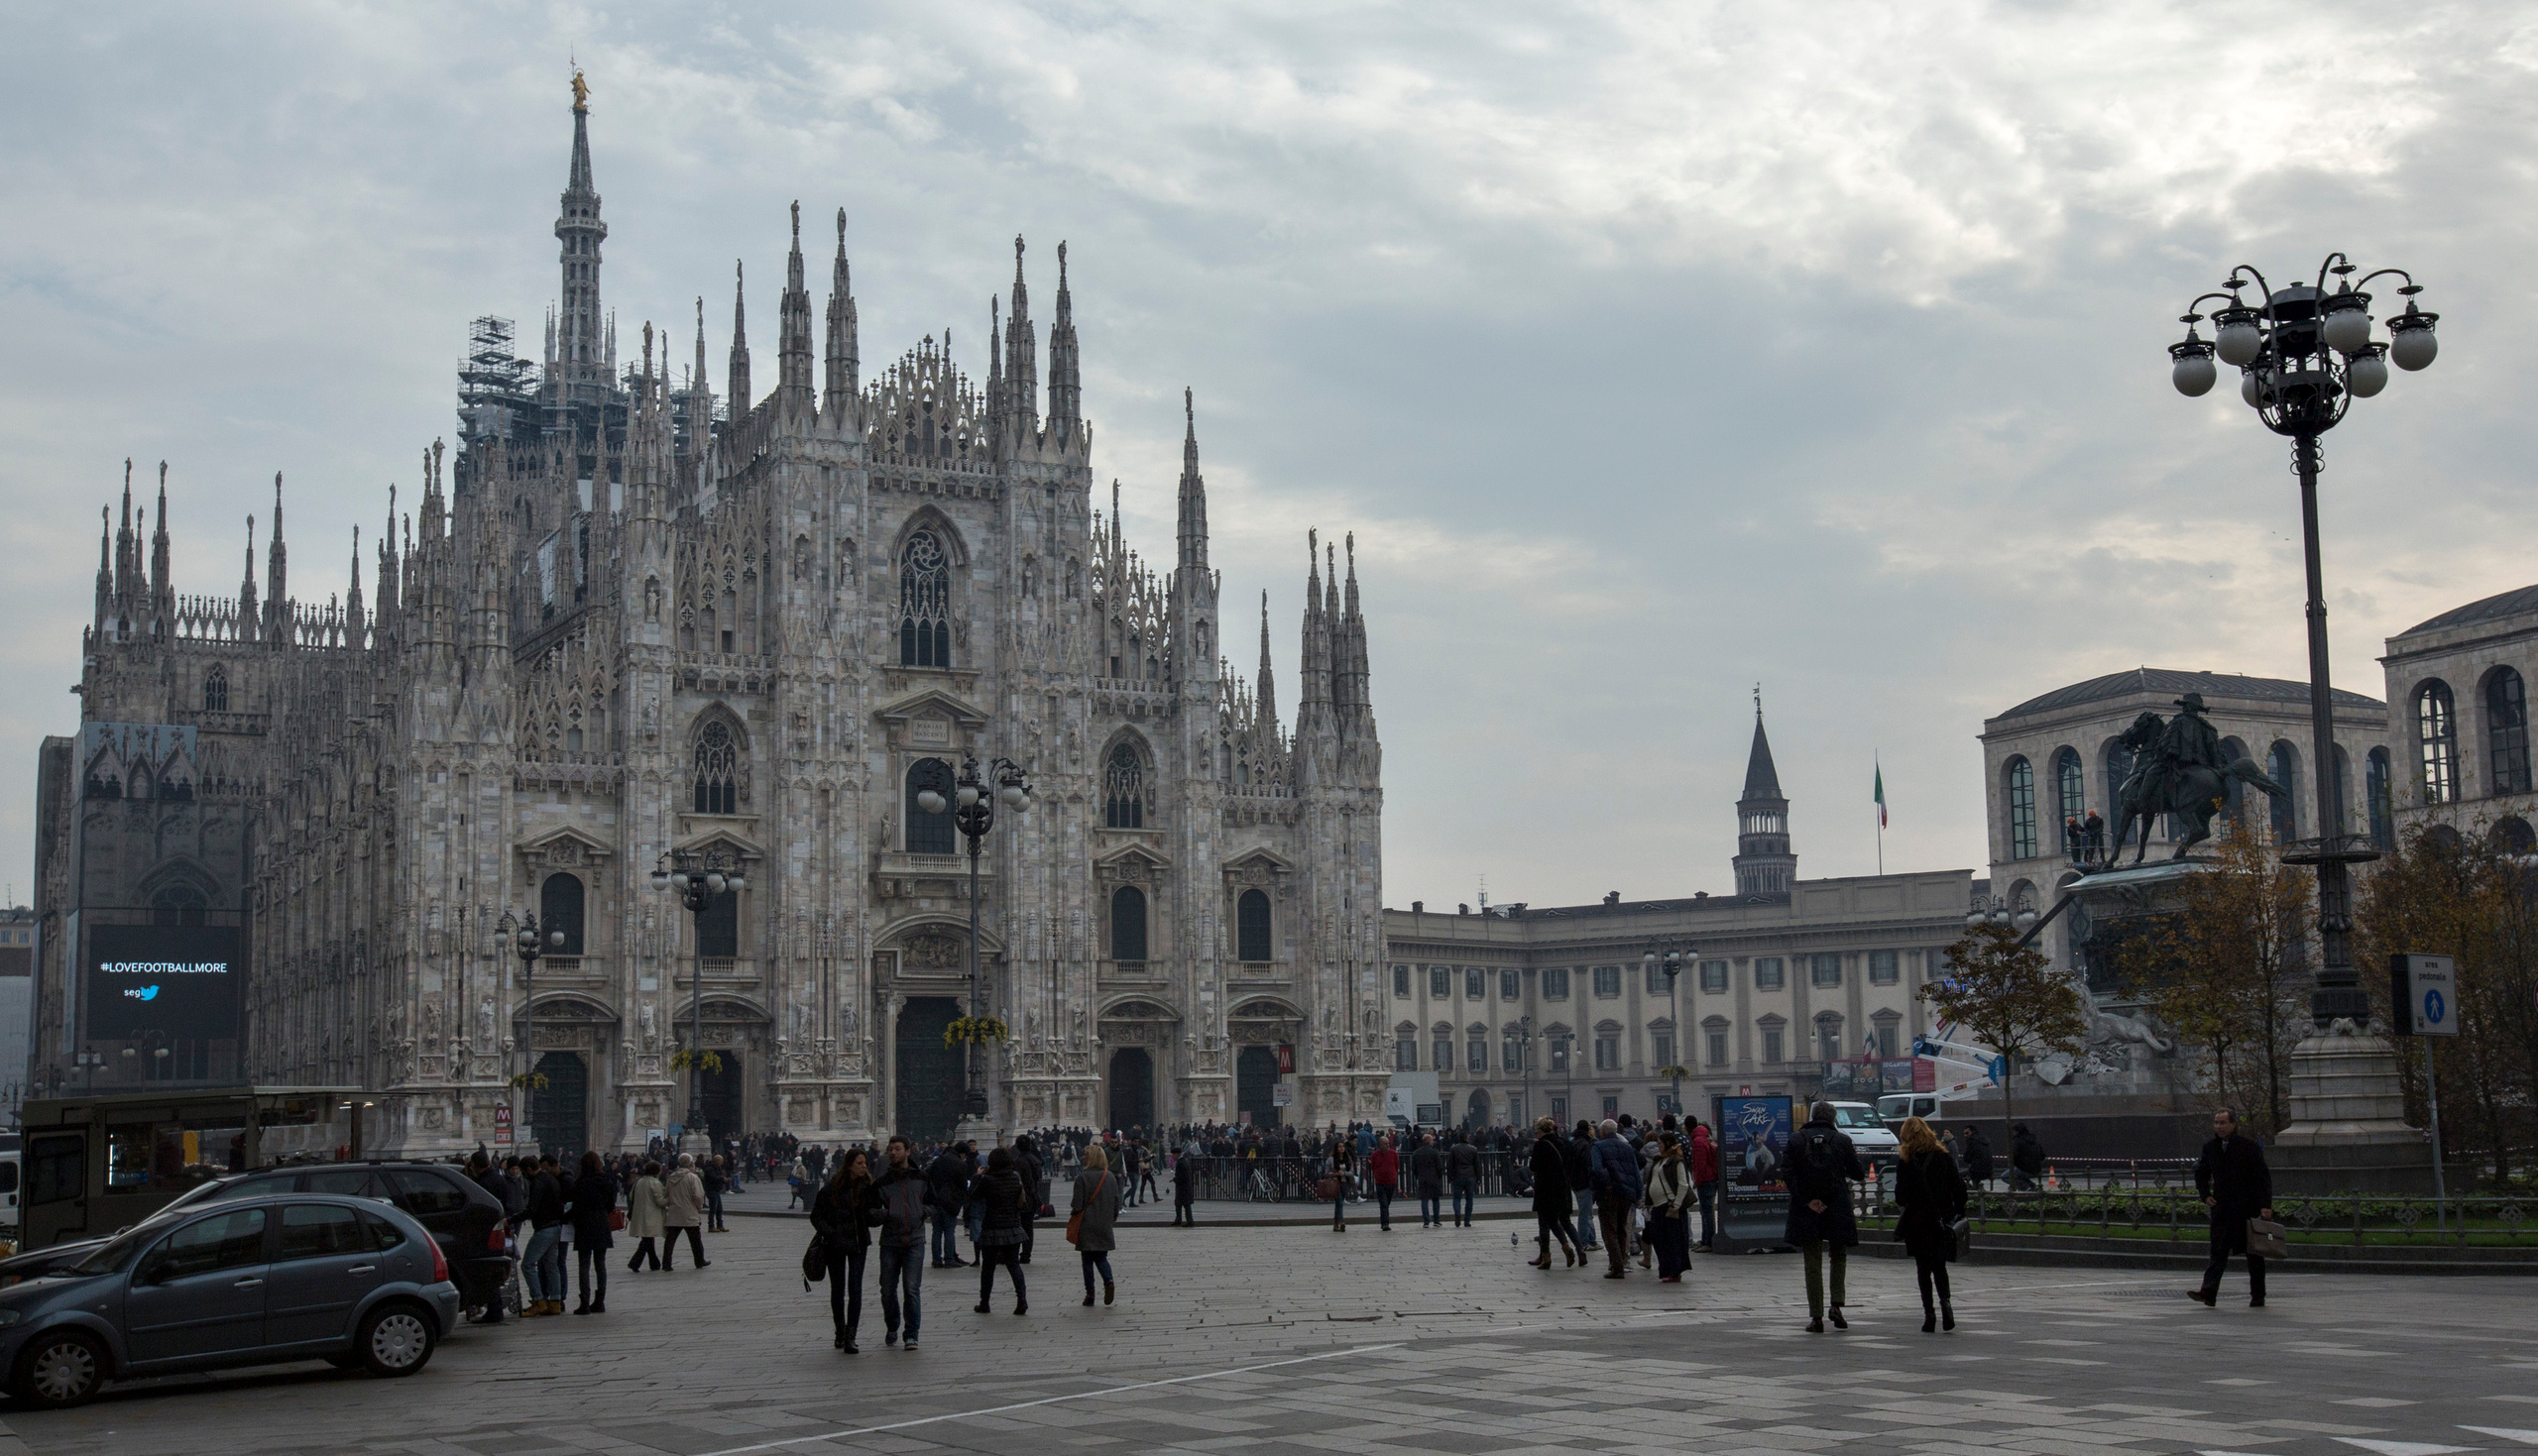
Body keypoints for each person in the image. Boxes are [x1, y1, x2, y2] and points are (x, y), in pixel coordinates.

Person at [1785, 1102, 1866, 1332]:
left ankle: (1816, 1316)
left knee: (1812, 1261)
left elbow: (1788, 1174)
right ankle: (1837, 1305)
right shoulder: (1842, 1140)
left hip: (1807, 1208)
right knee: (1838, 1255)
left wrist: (1808, 1200)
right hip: (1836, 1205)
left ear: (1812, 1116)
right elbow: (1858, 1174)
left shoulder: (1796, 1140)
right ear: (1833, 1119)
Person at [2191, 1108, 2275, 1309]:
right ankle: (2208, 1293)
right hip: (2222, 1209)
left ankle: (2257, 1295)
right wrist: (2205, 1195)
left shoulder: (2248, 1147)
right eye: (2216, 1123)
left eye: (2223, 1123)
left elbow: (2262, 1177)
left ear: (2233, 1125)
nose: (2219, 1127)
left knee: (2254, 1254)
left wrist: (2265, 1205)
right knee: (2217, 1252)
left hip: (2246, 1209)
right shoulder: (2210, 1147)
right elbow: (2201, 1172)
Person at [1892, 1115, 1966, 1331]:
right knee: (1939, 1266)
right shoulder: (1943, 1156)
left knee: (1922, 1268)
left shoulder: (1905, 1160)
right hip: (1940, 1219)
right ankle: (1946, 1305)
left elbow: (1900, 1196)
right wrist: (1956, 1212)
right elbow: (1959, 1188)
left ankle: (1929, 1315)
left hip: (1917, 1221)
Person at [812, 1147, 881, 1351]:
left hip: (858, 1243)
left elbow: (873, 1213)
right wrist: (831, 1233)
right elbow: (816, 1216)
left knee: (855, 1289)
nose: (864, 1167)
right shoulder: (832, 1187)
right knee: (838, 1289)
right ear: (849, 1165)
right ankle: (840, 1331)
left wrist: (882, 1215)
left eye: (865, 1163)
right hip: (835, 1245)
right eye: (860, 1163)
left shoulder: (868, 1186)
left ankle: (851, 1335)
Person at [873, 1135, 929, 1349]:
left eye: (897, 1149)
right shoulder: (882, 1181)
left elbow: (933, 1201)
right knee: (887, 1289)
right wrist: (886, 1215)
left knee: (911, 1289)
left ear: (908, 1151)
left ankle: (911, 1334)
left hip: (914, 1239)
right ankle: (892, 1325)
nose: (893, 1153)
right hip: (890, 1241)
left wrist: (922, 1212)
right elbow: (872, 1209)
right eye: (890, 1149)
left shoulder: (921, 1177)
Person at [972, 1146, 1031, 1315]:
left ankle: (985, 1302)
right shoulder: (1015, 1177)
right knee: (1013, 1265)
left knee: (988, 1267)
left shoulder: (987, 1179)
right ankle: (1022, 1300)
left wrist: (977, 1176)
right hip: (1012, 1226)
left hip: (992, 1227)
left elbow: (973, 1196)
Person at [1071, 1143, 1124, 1306]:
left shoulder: (1082, 1177)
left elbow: (1077, 1204)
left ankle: (1090, 1295)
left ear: (1092, 1158)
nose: (1083, 1157)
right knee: (1101, 1258)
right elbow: (1117, 1202)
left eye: (1086, 1155)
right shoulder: (1110, 1177)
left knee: (1087, 1260)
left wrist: (1074, 1215)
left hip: (1087, 1223)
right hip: (1104, 1223)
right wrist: (1111, 1218)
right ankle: (1109, 1281)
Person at [1588, 1119, 1643, 1278]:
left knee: (1609, 1230)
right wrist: (1637, 1194)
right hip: (1626, 1193)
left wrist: (1606, 1184)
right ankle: (1620, 1263)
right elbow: (1635, 1170)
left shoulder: (1597, 1146)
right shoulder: (1627, 1147)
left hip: (1609, 1193)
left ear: (1603, 1131)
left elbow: (1597, 1169)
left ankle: (1616, 1266)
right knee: (1621, 1229)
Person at [568, 1150, 617, 1315]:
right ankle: (600, 1301)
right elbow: (611, 1206)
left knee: (584, 1264)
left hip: (584, 1224)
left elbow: (576, 1207)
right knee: (600, 1264)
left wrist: (565, 1217)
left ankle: (585, 1303)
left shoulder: (581, 1183)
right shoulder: (606, 1181)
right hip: (601, 1223)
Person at [1528, 1116, 1579, 1268]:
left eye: (1536, 1131)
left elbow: (1533, 1166)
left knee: (1543, 1222)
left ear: (1541, 1131)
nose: (1536, 1134)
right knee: (1554, 1221)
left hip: (1545, 1187)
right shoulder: (1562, 1143)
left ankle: (1546, 1257)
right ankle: (1566, 1247)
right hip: (1560, 1187)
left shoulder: (1541, 1145)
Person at [521, 1154, 569, 1315]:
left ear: (528, 1170)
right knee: (551, 1266)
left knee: (527, 1264)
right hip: (556, 1227)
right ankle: (555, 1302)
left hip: (544, 1228)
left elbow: (531, 1209)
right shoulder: (551, 1179)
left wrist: (511, 1220)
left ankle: (538, 1300)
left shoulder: (538, 1183)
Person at [1644, 1132, 1693, 1281]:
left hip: (1669, 1205)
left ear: (1667, 1143)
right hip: (1658, 1206)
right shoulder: (1659, 1160)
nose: (1658, 1146)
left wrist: (1676, 1205)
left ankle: (1674, 1271)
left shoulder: (1676, 1161)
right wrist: (1648, 1201)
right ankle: (1666, 1269)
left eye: (1660, 1143)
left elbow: (1683, 1184)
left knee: (1672, 1240)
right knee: (1658, 1238)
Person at [925, 1142, 971, 1268]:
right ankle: (949, 1259)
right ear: (962, 1153)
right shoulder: (960, 1163)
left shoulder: (938, 1160)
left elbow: (930, 1177)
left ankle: (936, 1260)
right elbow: (962, 1185)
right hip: (951, 1201)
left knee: (937, 1231)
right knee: (949, 1231)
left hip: (936, 1200)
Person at [663, 1153, 710, 1271]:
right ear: (690, 1164)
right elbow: (698, 1196)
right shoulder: (693, 1177)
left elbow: (666, 1194)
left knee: (670, 1240)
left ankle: (666, 1263)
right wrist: (698, 1207)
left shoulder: (671, 1177)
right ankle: (699, 1261)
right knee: (695, 1240)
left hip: (674, 1212)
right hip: (689, 1212)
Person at [626, 1160, 668, 1272]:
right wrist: (669, 1199)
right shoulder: (655, 1183)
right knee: (647, 1240)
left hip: (639, 1213)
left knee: (648, 1239)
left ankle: (654, 1263)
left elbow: (631, 1196)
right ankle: (635, 1262)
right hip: (651, 1215)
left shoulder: (639, 1182)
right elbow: (660, 1201)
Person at [1565, 1122, 1600, 1251]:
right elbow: (1587, 1165)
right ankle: (1583, 1242)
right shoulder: (1586, 1144)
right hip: (1584, 1182)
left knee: (1586, 1211)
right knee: (1585, 1213)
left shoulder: (1573, 1142)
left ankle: (1592, 1240)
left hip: (1574, 1182)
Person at [1689, 1119, 1721, 1251]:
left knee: (1706, 1211)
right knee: (1706, 1211)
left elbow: (1700, 1165)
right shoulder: (1705, 1139)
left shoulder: (1698, 1142)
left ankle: (1708, 1241)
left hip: (1706, 1180)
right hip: (1711, 1178)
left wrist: (1698, 1180)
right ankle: (1706, 1240)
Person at [1014, 1135, 1046, 1265]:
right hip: (1033, 1196)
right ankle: (1026, 1254)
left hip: (1023, 1197)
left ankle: (1016, 1254)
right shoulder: (1035, 1160)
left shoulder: (1019, 1161)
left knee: (1018, 1226)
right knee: (1028, 1228)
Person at [1410, 1132, 1444, 1228]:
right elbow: (1439, 1167)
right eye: (1432, 1140)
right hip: (1434, 1178)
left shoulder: (1416, 1153)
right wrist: (1439, 1176)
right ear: (1429, 1141)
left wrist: (1418, 1176)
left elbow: (1414, 1168)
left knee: (1424, 1200)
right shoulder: (1434, 1152)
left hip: (1422, 1178)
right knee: (1435, 1200)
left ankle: (1426, 1221)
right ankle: (1436, 1220)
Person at [1446, 1130, 1480, 1228]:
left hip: (1457, 1175)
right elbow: (1477, 1165)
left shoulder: (1454, 1149)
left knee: (1457, 1198)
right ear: (1467, 1138)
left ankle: (1457, 1212)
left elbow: (1450, 1165)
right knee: (1469, 1199)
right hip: (1470, 1176)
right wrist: (1479, 1178)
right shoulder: (1473, 1149)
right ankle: (1467, 1221)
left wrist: (1450, 1177)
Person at [1368, 1132, 1400, 1231]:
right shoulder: (1375, 1155)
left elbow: (1397, 1165)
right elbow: (1373, 1167)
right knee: (1383, 1204)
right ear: (1380, 1145)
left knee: (1387, 1202)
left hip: (1391, 1182)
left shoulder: (1393, 1153)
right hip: (1380, 1182)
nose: (1387, 1145)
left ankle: (1385, 1219)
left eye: (1388, 1144)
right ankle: (1385, 1223)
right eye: (1385, 1144)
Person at [1172, 1140, 1200, 1226]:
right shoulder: (1184, 1161)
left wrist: (1175, 1179)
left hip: (1183, 1187)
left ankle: (1188, 1221)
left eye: (1173, 1154)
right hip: (1185, 1187)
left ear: (1177, 1154)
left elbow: (1182, 1176)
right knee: (1179, 1204)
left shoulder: (1181, 1163)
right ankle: (1179, 1219)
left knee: (1184, 1204)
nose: (1172, 1157)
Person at [1960, 1125, 1996, 1189]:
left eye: (1967, 1133)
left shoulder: (1971, 1141)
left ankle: (1969, 1188)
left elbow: (1966, 1158)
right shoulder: (1985, 1140)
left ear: (1972, 1132)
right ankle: (1977, 1189)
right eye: (1964, 1133)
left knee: (1957, 1175)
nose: (1965, 1135)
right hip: (1989, 1170)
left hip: (1976, 1171)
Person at [705, 1154, 732, 1231]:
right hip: (711, 1190)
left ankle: (720, 1225)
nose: (722, 1163)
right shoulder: (709, 1169)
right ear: (717, 1161)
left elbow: (717, 1178)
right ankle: (711, 1226)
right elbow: (713, 1178)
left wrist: (724, 1180)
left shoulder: (718, 1168)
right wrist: (722, 1178)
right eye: (721, 1161)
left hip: (716, 1190)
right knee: (713, 1209)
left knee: (719, 1209)